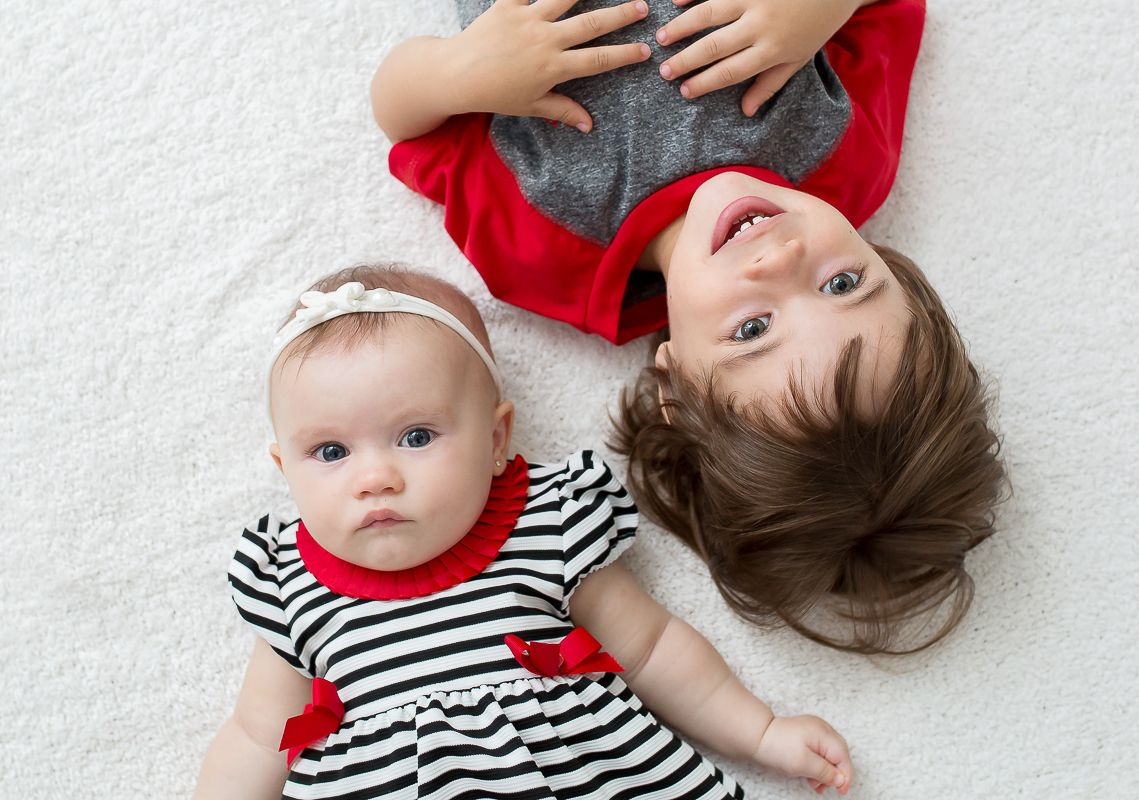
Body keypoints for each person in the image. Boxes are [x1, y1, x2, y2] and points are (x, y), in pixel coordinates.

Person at [370, 0, 1006, 655]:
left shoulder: (543, 252)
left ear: (673, 386)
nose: (783, 258)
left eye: (754, 328)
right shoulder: (848, 153)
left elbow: (406, 122)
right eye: (843, 285)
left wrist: (459, 69)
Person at [192, 264, 854, 799]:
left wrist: (761, 733)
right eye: (331, 453)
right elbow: (256, 737)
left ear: (496, 438)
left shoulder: (545, 524)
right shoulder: (289, 584)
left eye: (416, 436)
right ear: (285, 468)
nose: (376, 477)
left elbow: (650, 649)